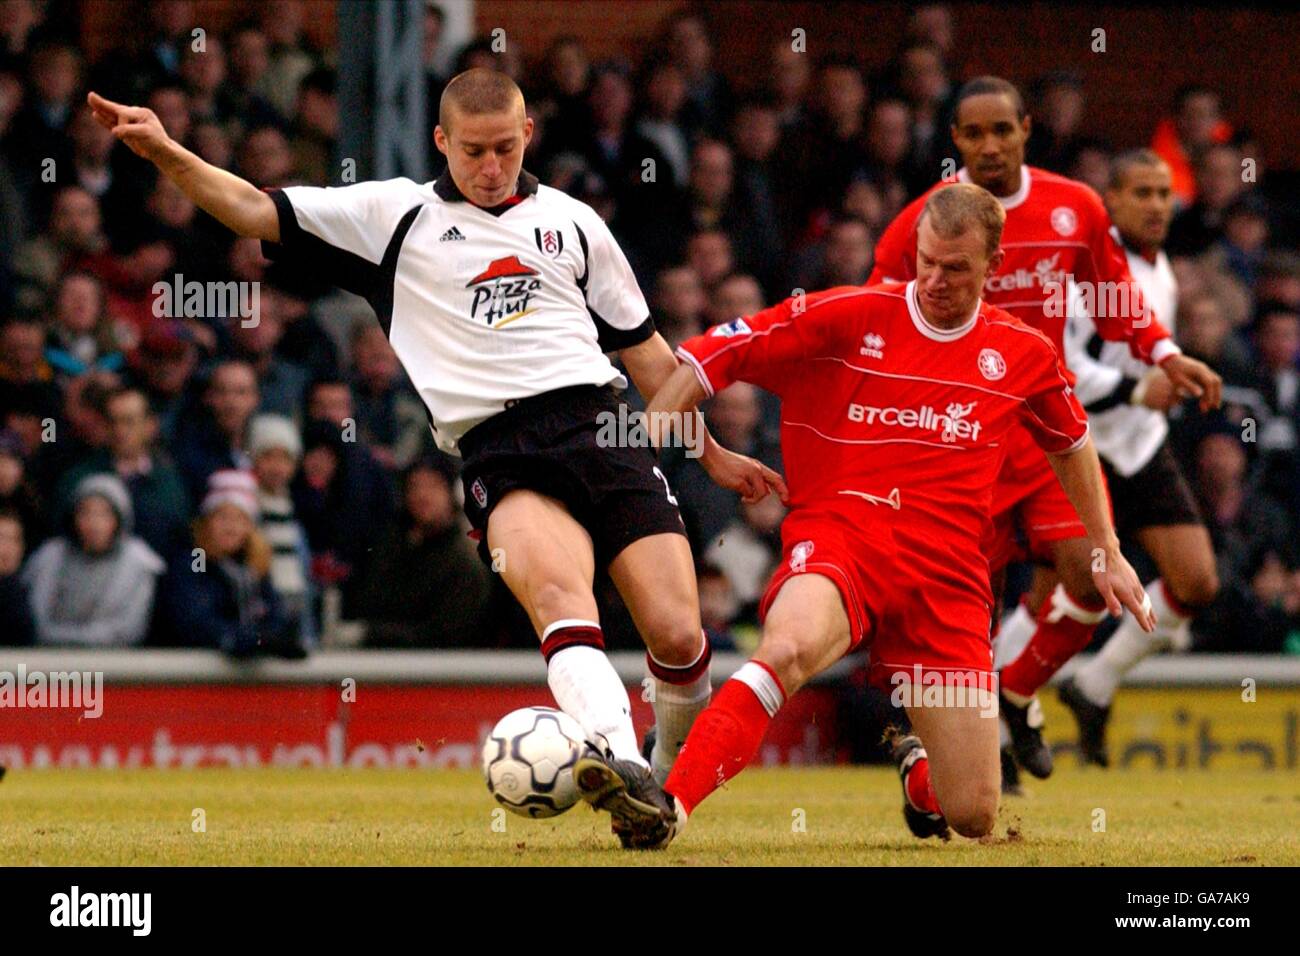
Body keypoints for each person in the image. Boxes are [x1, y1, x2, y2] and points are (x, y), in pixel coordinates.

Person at [86, 70, 778, 828]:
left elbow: (647, 356)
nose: (490, 167)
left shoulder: (576, 224)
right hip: (499, 448)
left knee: (679, 635)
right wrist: (166, 152)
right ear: (442, 141)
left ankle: (665, 787)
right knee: (558, 598)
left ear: (528, 138)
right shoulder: (393, 216)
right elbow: (253, 208)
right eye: (474, 151)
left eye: (506, 150)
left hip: (601, 428)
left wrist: (710, 454)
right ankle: (623, 763)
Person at [577, 183, 1155, 849]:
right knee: (787, 648)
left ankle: (916, 769)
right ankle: (666, 807)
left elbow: (1072, 444)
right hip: (842, 539)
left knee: (971, 813)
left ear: (993, 266)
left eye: (956, 268)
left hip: (948, 579)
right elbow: (711, 354)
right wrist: (682, 447)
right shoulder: (846, 315)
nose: (934, 279)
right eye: (926, 261)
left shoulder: (1021, 353)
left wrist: (1107, 547)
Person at [867, 76, 1221, 783]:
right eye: (975, 134)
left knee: (1095, 574)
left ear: (1026, 128)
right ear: (956, 142)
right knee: (967, 613)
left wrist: (1167, 353)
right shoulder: (920, 223)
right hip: (958, 439)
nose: (991, 145)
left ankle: (1016, 691)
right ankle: (938, 766)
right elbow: (876, 316)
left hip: (1045, 436)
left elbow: (1118, 300)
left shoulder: (1074, 206)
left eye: (1003, 129)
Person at [1054, 150, 1221, 766]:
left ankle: (1093, 686)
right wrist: (1133, 389)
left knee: (1196, 582)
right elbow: (1059, 367)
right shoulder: (1088, 268)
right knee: (1067, 589)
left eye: (1163, 193)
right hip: (1080, 446)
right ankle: (994, 709)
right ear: (1112, 202)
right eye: (1141, 193)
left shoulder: (1162, 267)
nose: (1156, 205)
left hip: (1142, 443)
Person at [23, 472, 164, 646]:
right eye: (85, 512)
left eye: (104, 514)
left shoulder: (140, 562)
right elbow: (36, 622)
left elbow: (128, 630)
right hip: (50, 665)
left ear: (119, 518)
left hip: (118, 667)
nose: (94, 523)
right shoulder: (50, 556)